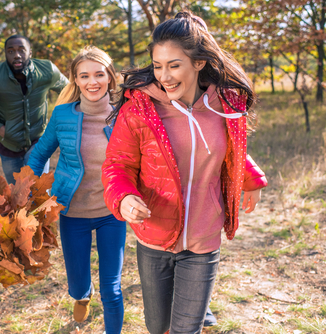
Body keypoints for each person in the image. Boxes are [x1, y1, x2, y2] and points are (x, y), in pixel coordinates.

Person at [102, 11, 268, 334]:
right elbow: (117, 165)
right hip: (155, 236)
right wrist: (123, 198)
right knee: (157, 326)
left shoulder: (225, 104)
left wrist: (251, 178)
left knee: (185, 330)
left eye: (174, 65)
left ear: (198, 63)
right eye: (158, 66)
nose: (164, 76)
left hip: (204, 238)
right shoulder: (141, 108)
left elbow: (230, 148)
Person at [28, 46, 125, 334]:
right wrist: (28, 190)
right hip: (73, 211)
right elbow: (38, 155)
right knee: (78, 283)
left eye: (99, 74)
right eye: (84, 76)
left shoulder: (124, 115)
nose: (92, 82)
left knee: (112, 287)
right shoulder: (62, 116)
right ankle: (83, 295)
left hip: (112, 212)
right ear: (75, 80)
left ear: (110, 77)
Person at [0, 35, 69, 184]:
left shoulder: (46, 70)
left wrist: (57, 124)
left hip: (38, 140)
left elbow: (69, 92)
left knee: (37, 191)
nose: (16, 55)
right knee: (16, 195)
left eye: (21, 50)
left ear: (30, 52)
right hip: (8, 144)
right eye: (10, 51)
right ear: (5, 54)